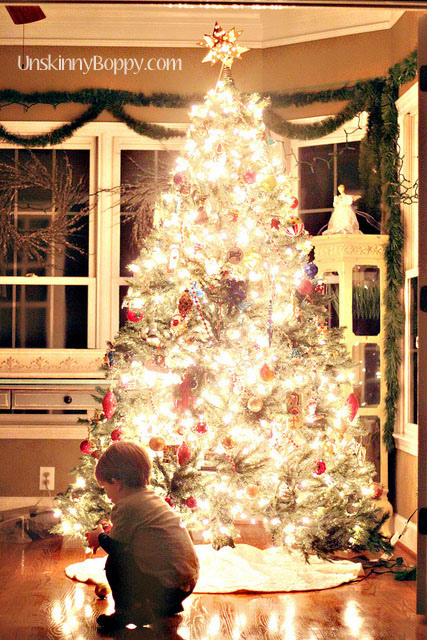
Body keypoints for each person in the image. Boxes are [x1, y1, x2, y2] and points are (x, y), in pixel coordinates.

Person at [85, 441, 200, 633]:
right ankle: (161, 608)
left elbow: (117, 547)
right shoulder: (152, 499)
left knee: (115, 562)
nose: (107, 495)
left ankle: (126, 612)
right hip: (185, 585)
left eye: (105, 487)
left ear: (116, 483)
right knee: (132, 555)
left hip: (164, 588)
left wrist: (99, 537)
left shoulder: (126, 506)